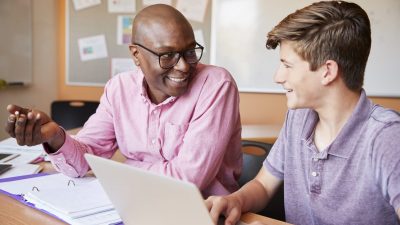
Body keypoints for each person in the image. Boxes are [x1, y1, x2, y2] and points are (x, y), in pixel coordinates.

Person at [4, 4, 242, 198]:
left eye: (190, 51)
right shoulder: (119, 89)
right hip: (133, 201)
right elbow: (85, 161)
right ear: (136, 55)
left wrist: (117, 170)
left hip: (204, 211)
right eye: (167, 55)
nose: (182, 66)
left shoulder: (216, 84)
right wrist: (56, 137)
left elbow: (188, 181)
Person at [206, 1, 400, 225]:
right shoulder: (298, 118)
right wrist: (236, 201)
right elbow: (263, 185)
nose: (277, 77)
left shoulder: (386, 137)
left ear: (327, 72)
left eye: (287, 65)